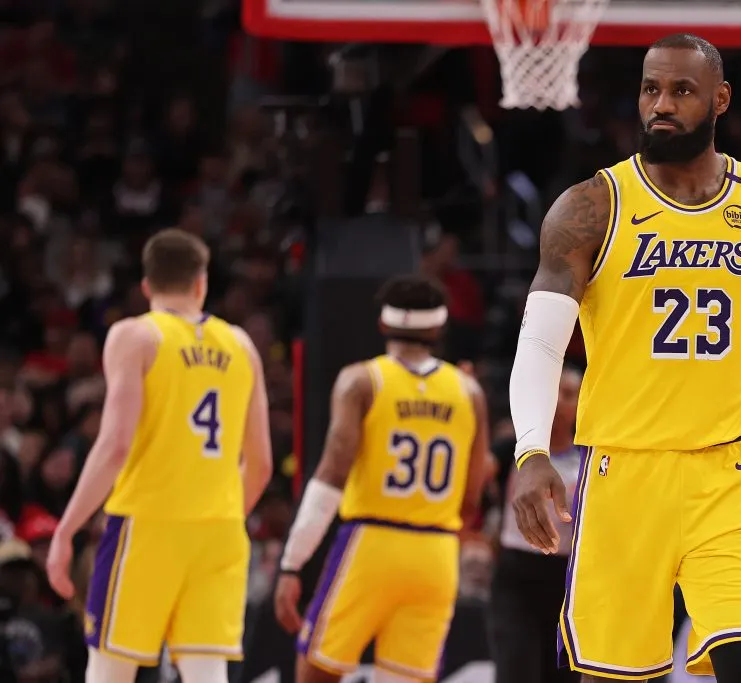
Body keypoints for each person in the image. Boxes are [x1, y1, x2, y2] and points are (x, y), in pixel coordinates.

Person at [508, 33, 741, 683]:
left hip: (734, 475)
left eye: (681, 90)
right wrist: (531, 449)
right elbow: (539, 341)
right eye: (651, 88)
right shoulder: (591, 207)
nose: (661, 104)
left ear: (720, 99)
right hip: (625, 474)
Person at [44, 228, 274, 683]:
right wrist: (219, 512)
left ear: (146, 286)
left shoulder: (135, 336)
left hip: (147, 525)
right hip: (219, 532)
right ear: (201, 284)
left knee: (111, 671)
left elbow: (114, 445)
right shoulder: (243, 346)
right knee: (208, 674)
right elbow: (262, 464)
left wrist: (66, 529)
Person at [273, 274, 491, 683]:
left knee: (316, 673)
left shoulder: (361, 380)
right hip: (437, 553)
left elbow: (331, 474)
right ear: (439, 327)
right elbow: (471, 496)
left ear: (383, 325)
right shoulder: (470, 392)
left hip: (370, 543)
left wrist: (292, 562)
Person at [489, 366, 583, 683]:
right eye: (553, 390)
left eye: (568, 394)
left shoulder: (591, 456)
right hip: (517, 579)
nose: (558, 401)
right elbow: (474, 479)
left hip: (570, 581)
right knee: (516, 671)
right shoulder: (513, 447)